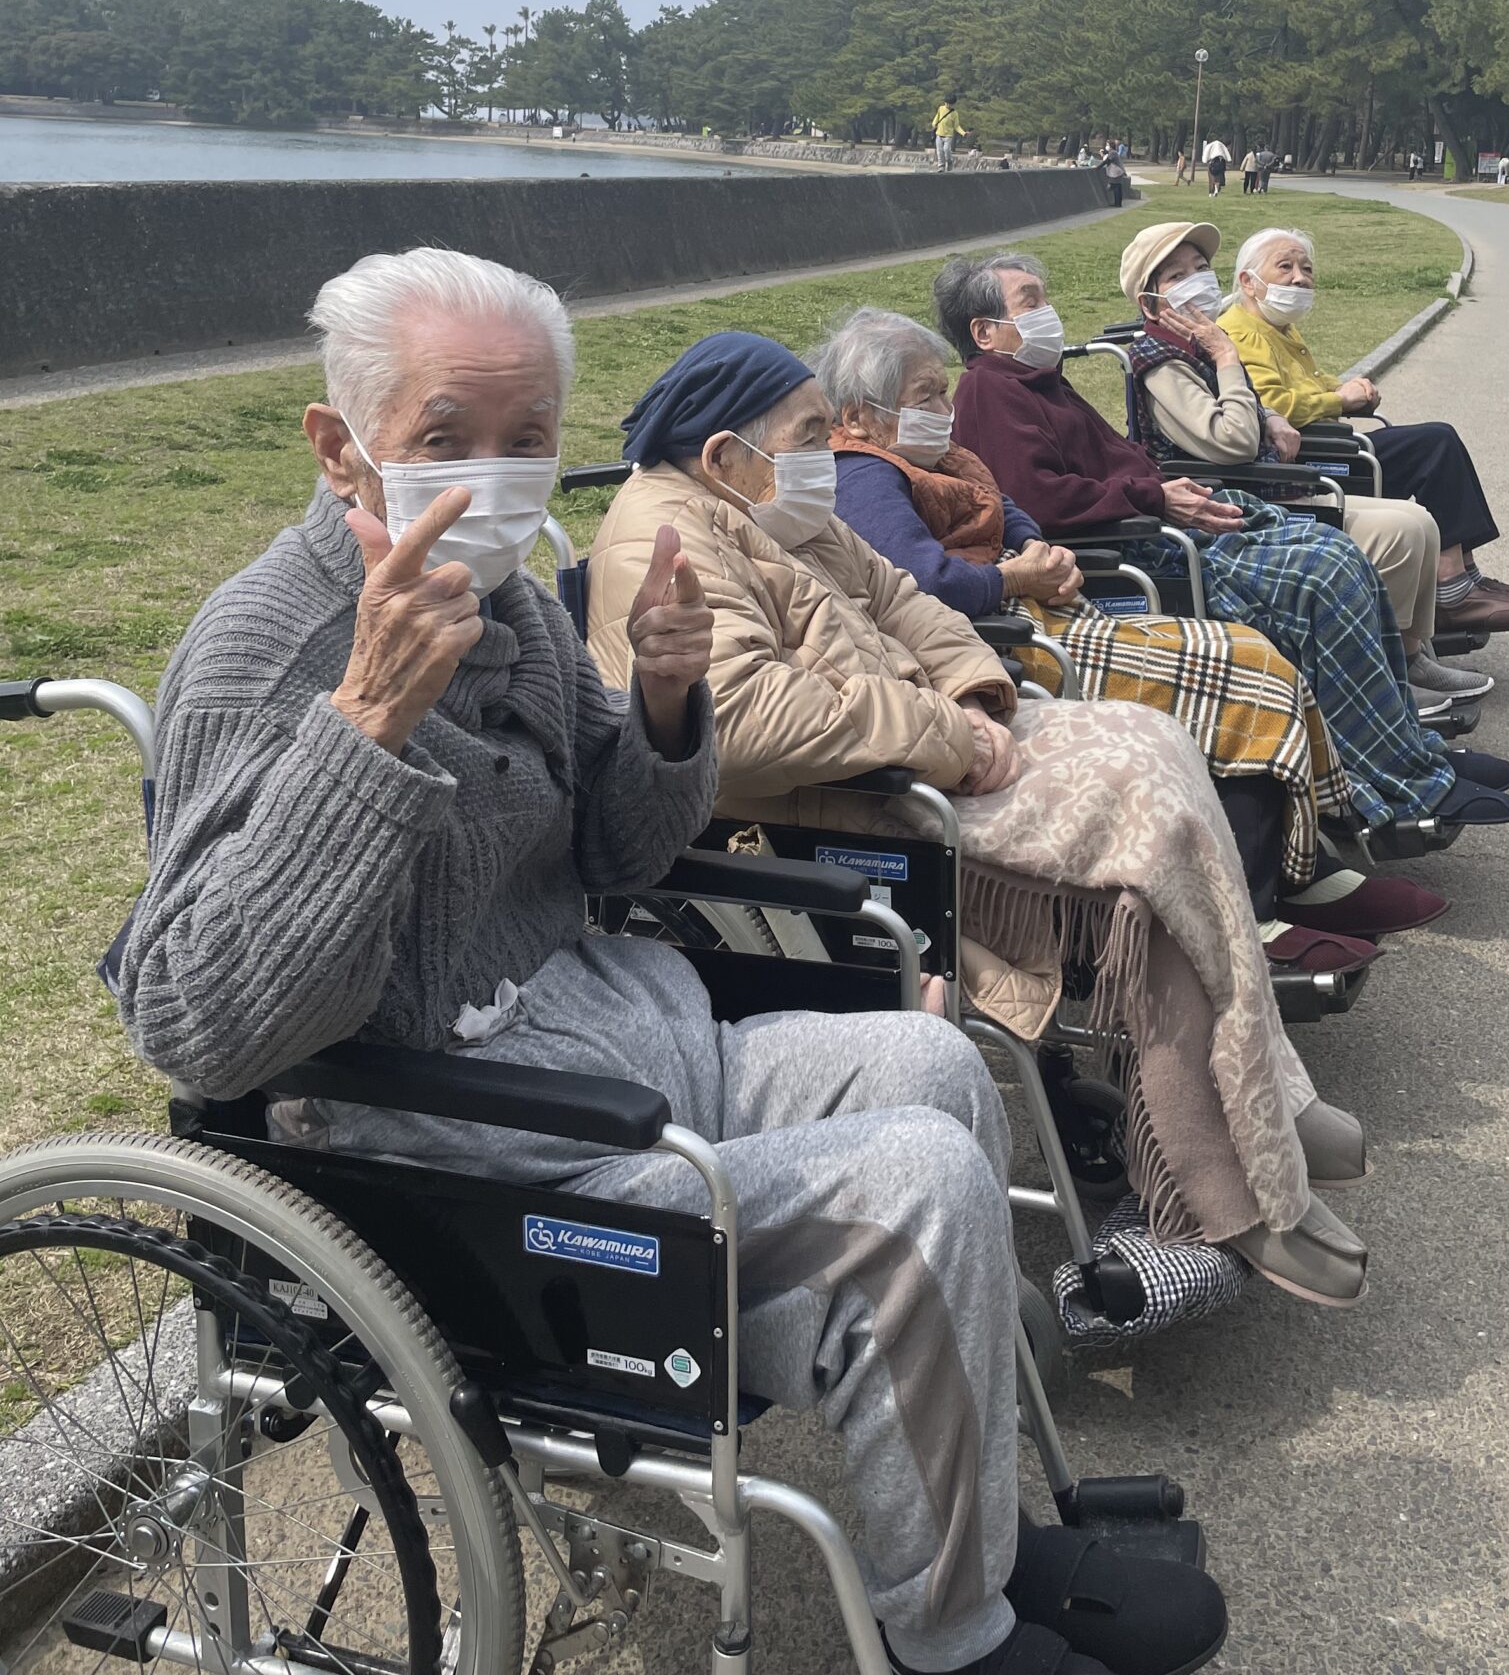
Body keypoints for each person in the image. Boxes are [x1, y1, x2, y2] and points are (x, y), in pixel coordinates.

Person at [114, 249, 1196, 1675]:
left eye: (526, 440)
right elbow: (196, 1024)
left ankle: (966, 1532)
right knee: (915, 1187)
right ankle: (952, 1636)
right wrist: (365, 725)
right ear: (340, 446)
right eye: (445, 439)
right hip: (467, 1149)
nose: (493, 476)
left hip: (635, 1057)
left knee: (938, 1058)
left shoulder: (507, 604)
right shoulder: (271, 651)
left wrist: (671, 706)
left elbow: (618, 858)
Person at [586, 332, 1373, 1326]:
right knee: (1149, 852)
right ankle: (1213, 1189)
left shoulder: (773, 507)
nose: (830, 453)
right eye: (809, 435)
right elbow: (739, 723)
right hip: (858, 813)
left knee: (1156, 745)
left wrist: (973, 693)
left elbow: (908, 604)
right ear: (723, 456)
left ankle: (1262, 1096)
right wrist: (944, 735)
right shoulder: (662, 541)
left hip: (927, 763)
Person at [812, 303, 1448, 953]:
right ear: (859, 414)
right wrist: (1017, 578)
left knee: (1248, 651)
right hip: (1002, 643)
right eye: (927, 395)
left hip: (1040, 606)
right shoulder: (862, 475)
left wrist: (1043, 556)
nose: (944, 407)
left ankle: (1300, 866)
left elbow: (1011, 509)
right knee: (1237, 670)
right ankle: (1251, 909)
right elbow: (925, 584)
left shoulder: (943, 458)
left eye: (942, 390)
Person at [935, 252, 1509, 838]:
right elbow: (1039, 500)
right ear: (985, 332)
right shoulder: (990, 390)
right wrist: (1155, 497)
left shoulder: (1040, 381)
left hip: (1164, 521)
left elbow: (1116, 464)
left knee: (1338, 553)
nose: (1050, 313)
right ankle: (1391, 781)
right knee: (1321, 575)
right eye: (1031, 303)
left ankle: (1408, 751)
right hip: (1136, 549)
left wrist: (1161, 489)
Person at [1112, 221, 1489, 719]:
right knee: (1400, 530)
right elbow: (1233, 441)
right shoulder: (1164, 361)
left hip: (1267, 481)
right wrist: (1230, 363)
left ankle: (1412, 656)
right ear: (1152, 303)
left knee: (1420, 521)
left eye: (1201, 268)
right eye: (1177, 276)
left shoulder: (1198, 345)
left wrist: (1265, 412)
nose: (1198, 281)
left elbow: (1250, 411)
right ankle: (1385, 681)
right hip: (1233, 500)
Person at [1218, 226, 1509, 635]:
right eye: (1284, 267)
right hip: (1302, 461)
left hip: (1329, 446)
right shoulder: (1241, 332)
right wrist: (1342, 400)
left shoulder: (1279, 328)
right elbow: (1274, 407)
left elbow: (1308, 383)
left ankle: (1464, 572)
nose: (1300, 278)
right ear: (1248, 281)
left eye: (1306, 268)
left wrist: (1346, 388)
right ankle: (1452, 588)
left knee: (1435, 442)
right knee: (1434, 444)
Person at [933, 96, 966, 171]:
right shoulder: (941, 108)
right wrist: (934, 123)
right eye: (946, 103)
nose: (948, 105)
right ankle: (941, 166)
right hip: (939, 134)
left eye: (950, 104)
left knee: (946, 150)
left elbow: (956, 126)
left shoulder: (954, 113)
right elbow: (937, 117)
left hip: (948, 135)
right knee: (939, 151)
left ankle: (949, 162)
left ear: (953, 104)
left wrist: (963, 133)